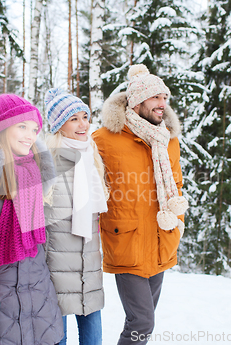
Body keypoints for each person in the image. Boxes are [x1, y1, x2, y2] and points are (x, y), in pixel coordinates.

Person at [92, 64, 189, 345]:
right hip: (126, 242)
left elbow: (177, 183)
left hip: (161, 238)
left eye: (165, 98)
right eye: (156, 97)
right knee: (142, 321)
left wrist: (178, 222)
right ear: (137, 101)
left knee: (142, 321)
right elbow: (89, 184)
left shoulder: (168, 140)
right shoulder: (104, 139)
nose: (163, 104)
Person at [0, 93, 64, 345]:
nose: (29, 135)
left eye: (34, 128)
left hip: (39, 299)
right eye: (22, 126)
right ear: (2, 128)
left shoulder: (36, 172)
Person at [43, 88, 109, 345]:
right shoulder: (48, 161)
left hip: (89, 266)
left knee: (93, 338)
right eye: (74, 119)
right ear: (59, 125)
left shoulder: (92, 157)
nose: (83, 124)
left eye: (85, 116)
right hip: (56, 266)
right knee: (57, 338)